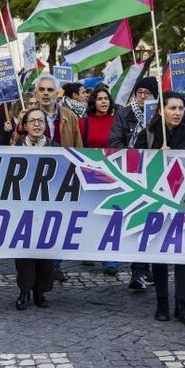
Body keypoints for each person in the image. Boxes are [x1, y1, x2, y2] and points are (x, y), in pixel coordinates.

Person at [135, 91, 185, 327]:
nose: (176, 112)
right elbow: (135, 163)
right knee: (159, 253)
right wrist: (155, 156)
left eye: (180, 108)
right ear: (161, 110)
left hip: (182, 201)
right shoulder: (149, 134)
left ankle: (182, 305)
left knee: (183, 253)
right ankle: (162, 303)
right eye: (172, 108)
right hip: (157, 201)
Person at [108, 77, 158, 291]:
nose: (142, 95)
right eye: (140, 91)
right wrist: (133, 156)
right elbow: (114, 142)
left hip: (155, 175)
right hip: (130, 174)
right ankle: (138, 271)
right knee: (138, 222)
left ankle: (147, 269)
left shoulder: (159, 115)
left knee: (153, 224)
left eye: (147, 92)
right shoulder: (124, 114)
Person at [13, 108, 57, 309]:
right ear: (25, 126)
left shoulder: (56, 148)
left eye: (41, 121)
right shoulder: (15, 149)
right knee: (24, 253)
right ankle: (24, 290)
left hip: (48, 208)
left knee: (45, 252)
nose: (37, 125)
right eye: (32, 121)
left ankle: (40, 291)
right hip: (23, 207)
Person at [81, 87, 118, 275]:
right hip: (90, 174)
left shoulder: (116, 121)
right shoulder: (84, 123)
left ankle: (110, 260)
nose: (103, 102)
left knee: (110, 216)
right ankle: (88, 249)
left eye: (106, 98)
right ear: (93, 102)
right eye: (99, 99)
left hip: (114, 174)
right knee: (91, 215)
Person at [33, 74, 82, 147]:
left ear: (56, 94)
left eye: (50, 90)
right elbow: (15, 144)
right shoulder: (28, 115)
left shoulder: (70, 116)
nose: (45, 93)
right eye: (41, 89)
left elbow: (78, 145)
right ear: (36, 94)